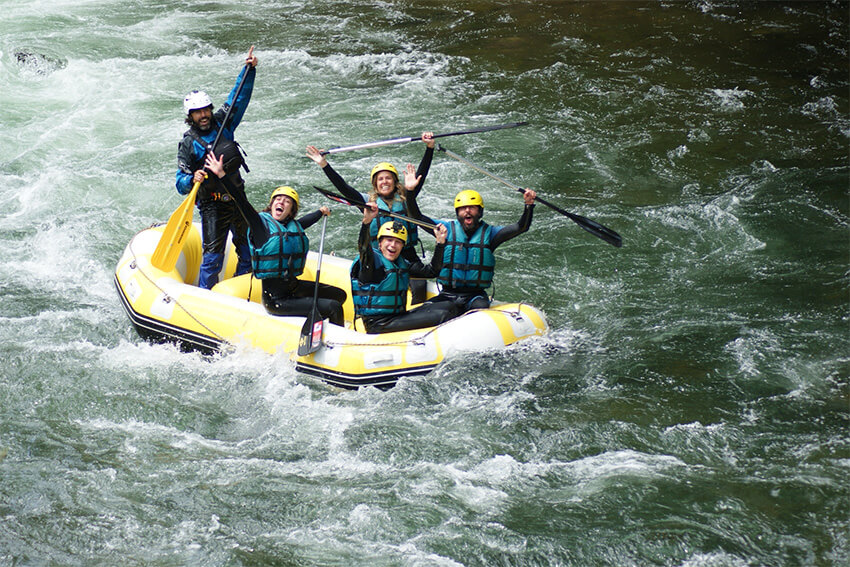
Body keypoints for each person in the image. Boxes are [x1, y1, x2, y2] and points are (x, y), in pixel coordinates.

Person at [204, 153, 346, 326]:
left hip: (294, 289)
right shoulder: (260, 226)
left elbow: (305, 222)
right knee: (333, 306)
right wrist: (222, 175)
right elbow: (241, 201)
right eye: (278, 199)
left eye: (287, 202)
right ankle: (334, 341)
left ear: (291, 210)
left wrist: (320, 212)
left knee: (339, 295)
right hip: (277, 301)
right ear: (271, 205)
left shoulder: (292, 227)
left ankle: (314, 324)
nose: (282, 202)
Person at [306, 132, 435, 303]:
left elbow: (421, 175)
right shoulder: (368, 202)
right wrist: (324, 164)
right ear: (375, 184)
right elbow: (344, 188)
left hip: (406, 253)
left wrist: (429, 148)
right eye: (380, 179)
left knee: (420, 287)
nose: (384, 182)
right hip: (378, 255)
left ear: (395, 181)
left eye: (388, 178)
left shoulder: (406, 197)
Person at [176, 46, 257, 289]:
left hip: (236, 196)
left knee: (248, 251)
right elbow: (179, 181)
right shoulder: (188, 144)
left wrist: (249, 69)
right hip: (212, 205)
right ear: (190, 116)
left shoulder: (224, 123)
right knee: (213, 258)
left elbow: (238, 97)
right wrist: (192, 179)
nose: (203, 115)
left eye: (206, 110)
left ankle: (240, 291)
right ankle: (205, 295)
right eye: (197, 112)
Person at [410, 188, 537, 315]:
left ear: (480, 212)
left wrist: (528, 205)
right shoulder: (445, 230)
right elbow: (417, 217)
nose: (467, 211)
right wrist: (410, 192)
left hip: (475, 296)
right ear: (457, 212)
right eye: (462, 208)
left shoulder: (491, 234)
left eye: (472, 207)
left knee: (479, 309)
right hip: (447, 294)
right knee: (425, 311)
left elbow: (521, 227)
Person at [350, 204, 458, 334]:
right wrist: (366, 222)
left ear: (402, 246)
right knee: (443, 315)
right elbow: (363, 247)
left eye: (398, 242)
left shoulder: (402, 264)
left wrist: (440, 243)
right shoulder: (372, 263)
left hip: (398, 317)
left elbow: (432, 271)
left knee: (449, 305)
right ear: (380, 243)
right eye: (389, 240)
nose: (393, 245)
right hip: (379, 323)